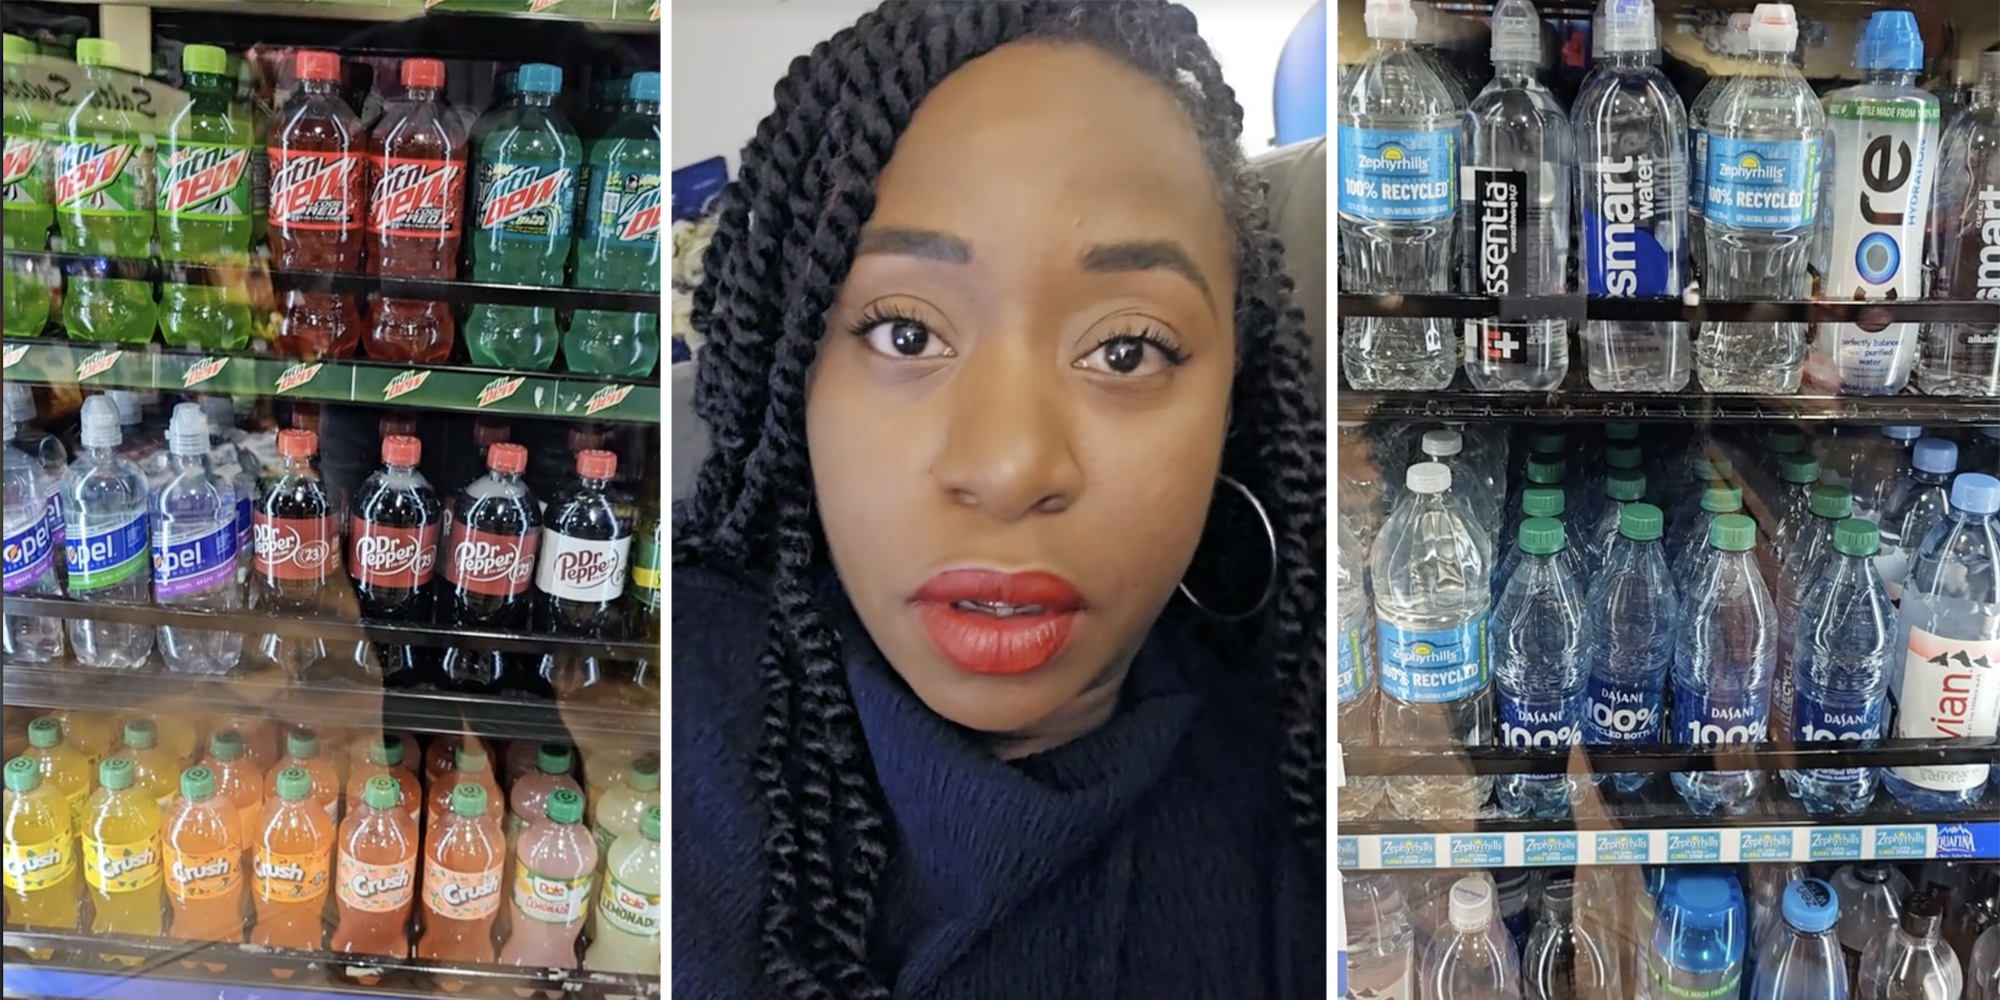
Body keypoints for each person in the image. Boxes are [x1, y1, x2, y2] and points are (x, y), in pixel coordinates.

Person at [671, 3, 1327, 998]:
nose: (1010, 467)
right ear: (791, 371)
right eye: (903, 333)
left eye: (1124, 349)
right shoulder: (662, 734)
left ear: (1233, 396)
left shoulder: (1304, 828)